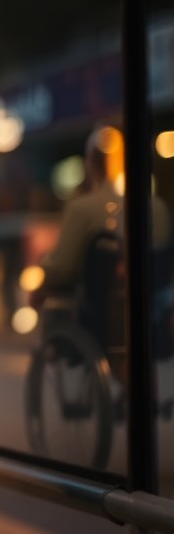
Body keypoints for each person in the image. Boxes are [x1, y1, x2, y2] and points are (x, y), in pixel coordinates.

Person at [32, 127, 172, 407]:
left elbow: (63, 268)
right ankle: (137, 382)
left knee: (48, 295)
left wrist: (42, 278)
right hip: (155, 313)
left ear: (91, 164)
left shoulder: (83, 209)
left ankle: (54, 354)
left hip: (102, 317)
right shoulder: (157, 206)